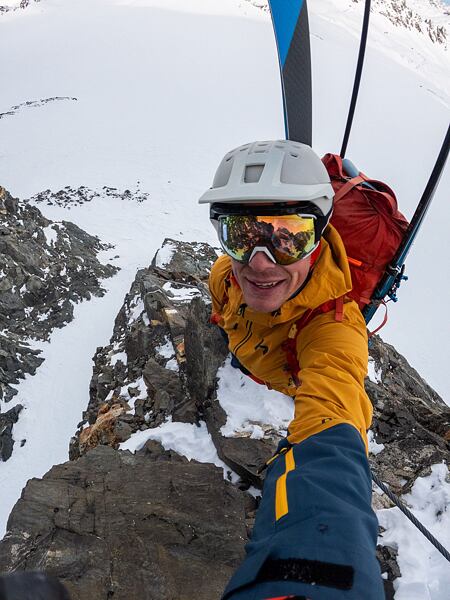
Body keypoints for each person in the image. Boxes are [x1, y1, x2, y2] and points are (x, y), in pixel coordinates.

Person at [199, 140, 384, 600]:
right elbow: (229, 286)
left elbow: (331, 427)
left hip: (282, 377)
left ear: (319, 235)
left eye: (287, 237)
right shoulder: (226, 270)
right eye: (239, 233)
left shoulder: (334, 328)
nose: (259, 262)